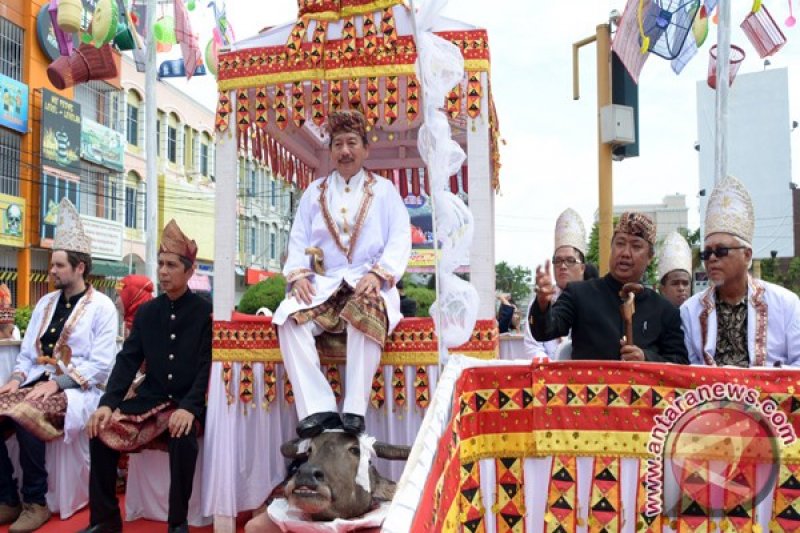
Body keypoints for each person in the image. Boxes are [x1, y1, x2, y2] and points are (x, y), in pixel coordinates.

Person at [272, 110, 411, 438]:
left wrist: (379, 275)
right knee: (289, 317)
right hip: (326, 282)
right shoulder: (314, 192)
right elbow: (298, 238)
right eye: (338, 144)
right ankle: (319, 408)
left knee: (365, 311)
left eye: (352, 143)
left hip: (368, 280)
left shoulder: (385, 191)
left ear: (365, 149)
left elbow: (400, 237)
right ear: (331, 150)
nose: (345, 151)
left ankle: (353, 411)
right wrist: (299, 276)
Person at [81, 220, 212, 533]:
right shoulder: (147, 312)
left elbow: (207, 365)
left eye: (171, 265)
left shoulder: (205, 312)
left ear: (189, 271)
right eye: (160, 265)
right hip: (150, 399)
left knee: (182, 437)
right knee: (100, 430)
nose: (163, 272)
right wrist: (107, 402)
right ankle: (105, 520)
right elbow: (127, 361)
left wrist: (190, 407)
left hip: (186, 401)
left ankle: (177, 524)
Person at [0, 198, 118, 533]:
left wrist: (59, 382)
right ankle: (8, 498)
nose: (51, 271)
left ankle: (36, 502)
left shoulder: (103, 307)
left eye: (58, 266)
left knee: (25, 413)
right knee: (9, 403)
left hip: (82, 390)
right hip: (37, 383)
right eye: (52, 265)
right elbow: (26, 353)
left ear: (80, 267)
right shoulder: (45, 302)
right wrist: (16, 378)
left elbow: (101, 365)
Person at [530, 212, 688, 363]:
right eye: (620, 244)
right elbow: (544, 331)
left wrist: (646, 358)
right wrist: (543, 304)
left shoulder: (665, 310)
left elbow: (680, 362)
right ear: (611, 248)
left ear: (649, 257)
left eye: (636, 246)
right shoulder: (579, 294)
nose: (625, 253)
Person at [681, 176, 800, 367]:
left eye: (721, 251)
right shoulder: (690, 310)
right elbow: (685, 371)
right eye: (707, 252)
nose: (712, 258)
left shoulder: (786, 304)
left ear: (747, 255)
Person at [523, 208, 587, 358]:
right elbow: (533, 346)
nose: (563, 266)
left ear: (582, 268)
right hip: (550, 376)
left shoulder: (593, 298)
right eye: (558, 261)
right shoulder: (541, 302)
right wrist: (554, 371)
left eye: (570, 260)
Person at [657, 231, 692, 307]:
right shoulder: (655, 317)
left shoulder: (700, 316)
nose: (681, 288)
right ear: (662, 289)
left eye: (685, 283)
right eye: (675, 283)